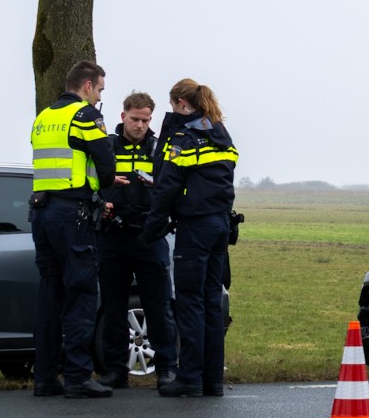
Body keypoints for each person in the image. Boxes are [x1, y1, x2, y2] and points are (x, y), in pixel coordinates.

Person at [29, 59, 122, 399]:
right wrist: (106, 188)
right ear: (87, 86)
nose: (99, 98)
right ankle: (79, 376)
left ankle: (45, 377)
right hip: (74, 216)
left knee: (49, 297)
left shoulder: (44, 117)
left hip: (42, 213)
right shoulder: (84, 116)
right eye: (99, 90)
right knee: (81, 295)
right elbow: (105, 160)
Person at [139, 79, 237, 398]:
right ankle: (212, 381)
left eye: (171, 107)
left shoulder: (185, 137)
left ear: (181, 103)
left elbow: (167, 187)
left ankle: (190, 377)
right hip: (220, 225)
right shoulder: (221, 134)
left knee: (190, 302)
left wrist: (150, 230)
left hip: (194, 228)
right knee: (210, 303)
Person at [96, 92, 179, 390]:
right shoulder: (105, 147)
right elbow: (90, 182)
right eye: (135, 119)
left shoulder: (160, 149)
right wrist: (99, 204)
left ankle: (167, 369)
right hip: (112, 236)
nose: (140, 126)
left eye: (145, 120)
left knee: (159, 307)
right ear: (123, 116)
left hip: (150, 236)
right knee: (114, 308)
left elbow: (172, 189)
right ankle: (116, 371)